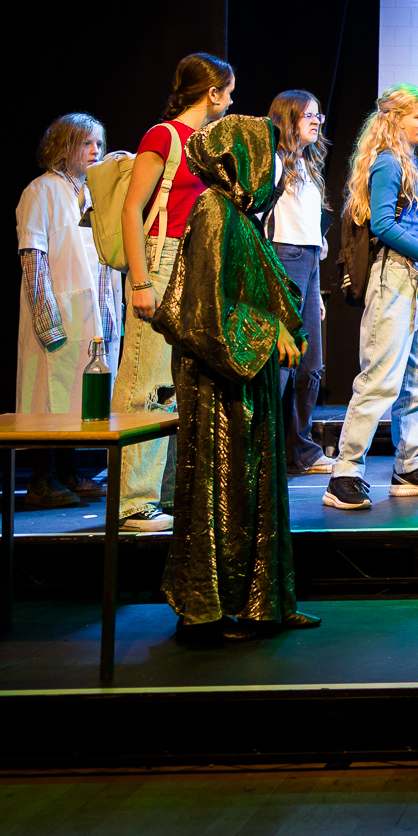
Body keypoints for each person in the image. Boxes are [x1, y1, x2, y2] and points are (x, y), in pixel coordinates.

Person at [152, 113, 319, 644]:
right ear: (244, 159)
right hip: (219, 387)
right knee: (223, 492)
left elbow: (258, 288)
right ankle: (205, 612)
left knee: (253, 492)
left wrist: (282, 326)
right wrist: (270, 331)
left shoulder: (240, 216)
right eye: (268, 157)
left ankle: (262, 603)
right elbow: (202, 310)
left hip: (248, 384)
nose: (276, 171)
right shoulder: (213, 211)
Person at [323, 85, 418, 508]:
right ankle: (344, 473)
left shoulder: (416, 162)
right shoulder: (387, 161)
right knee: (380, 379)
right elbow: (383, 225)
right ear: (395, 119)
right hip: (394, 276)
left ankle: (410, 466)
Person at [113, 52, 235, 532]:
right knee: (146, 380)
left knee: (178, 385)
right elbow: (132, 210)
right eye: (228, 91)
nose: (231, 100)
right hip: (160, 258)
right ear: (211, 92)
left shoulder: (206, 142)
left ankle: (166, 494)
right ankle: (132, 502)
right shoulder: (163, 136)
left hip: (195, 262)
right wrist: (141, 281)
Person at [14, 112, 120, 507]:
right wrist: (47, 319)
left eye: (99, 143)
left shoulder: (95, 193)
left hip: (92, 314)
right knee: (49, 394)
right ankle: (42, 479)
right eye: (86, 143)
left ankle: (68, 471)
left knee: (80, 395)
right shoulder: (40, 191)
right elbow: (33, 257)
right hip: (60, 311)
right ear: (64, 147)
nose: (95, 150)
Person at [266, 91, 333, 478]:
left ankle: (302, 450)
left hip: (307, 263)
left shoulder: (307, 165)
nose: (316, 121)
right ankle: (264, 450)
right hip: (284, 258)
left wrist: (315, 290)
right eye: (308, 115)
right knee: (281, 361)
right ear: (288, 120)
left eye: (318, 115)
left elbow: (311, 230)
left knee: (311, 365)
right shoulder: (274, 162)